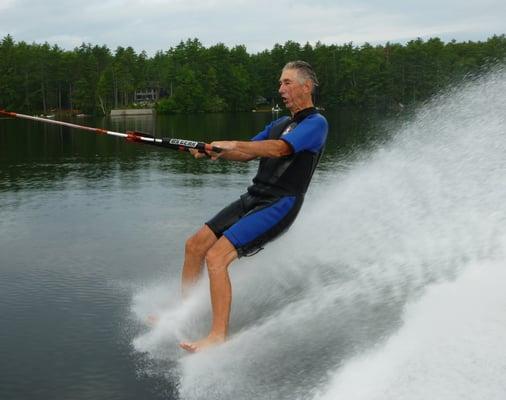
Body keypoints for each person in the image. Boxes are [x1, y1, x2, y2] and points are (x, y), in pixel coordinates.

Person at [179, 61, 328, 352]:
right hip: (254, 197)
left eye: (286, 82)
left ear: (305, 87)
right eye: (280, 83)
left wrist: (232, 143)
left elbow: (280, 149)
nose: (280, 89)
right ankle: (184, 316)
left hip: (279, 203)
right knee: (195, 245)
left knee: (216, 257)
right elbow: (246, 154)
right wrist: (214, 150)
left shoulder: (316, 124)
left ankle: (218, 335)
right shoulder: (278, 124)